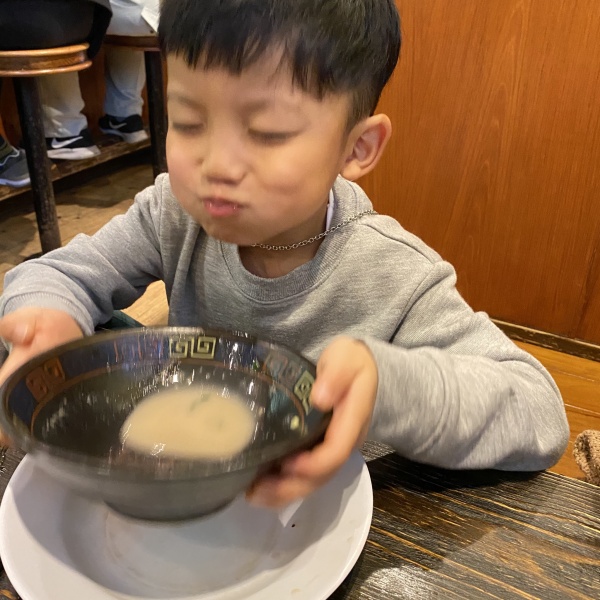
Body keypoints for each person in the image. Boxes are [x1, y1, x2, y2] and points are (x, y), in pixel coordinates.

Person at [0, 0, 570, 508]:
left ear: (357, 147)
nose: (217, 165)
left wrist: (389, 385)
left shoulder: (394, 274)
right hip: (179, 478)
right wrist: (48, 315)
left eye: (268, 132)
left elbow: (538, 410)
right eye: (188, 122)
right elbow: (60, 275)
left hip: (306, 513)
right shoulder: (171, 214)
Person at [40, 0, 158, 159]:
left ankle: (66, 133)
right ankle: (126, 117)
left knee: (54, 17)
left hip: (136, 15)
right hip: (166, 13)